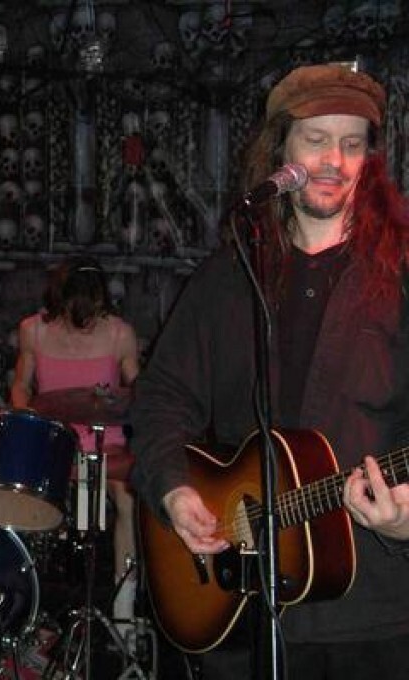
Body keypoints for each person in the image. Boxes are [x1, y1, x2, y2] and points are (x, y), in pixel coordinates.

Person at [131, 63, 409, 679]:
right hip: (241, 608)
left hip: (374, 614)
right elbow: (160, 396)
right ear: (280, 148)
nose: (334, 160)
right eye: (315, 139)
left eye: (353, 143)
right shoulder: (231, 275)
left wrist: (407, 521)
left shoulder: (401, 273)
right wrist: (175, 488)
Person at [10, 256, 141, 627]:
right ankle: (26, 601)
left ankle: (124, 609)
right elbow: (21, 386)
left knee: (129, 499)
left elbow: (138, 390)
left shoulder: (119, 334)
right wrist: (27, 417)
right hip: (56, 442)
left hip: (106, 443)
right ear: (60, 299)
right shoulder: (33, 330)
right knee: (18, 490)